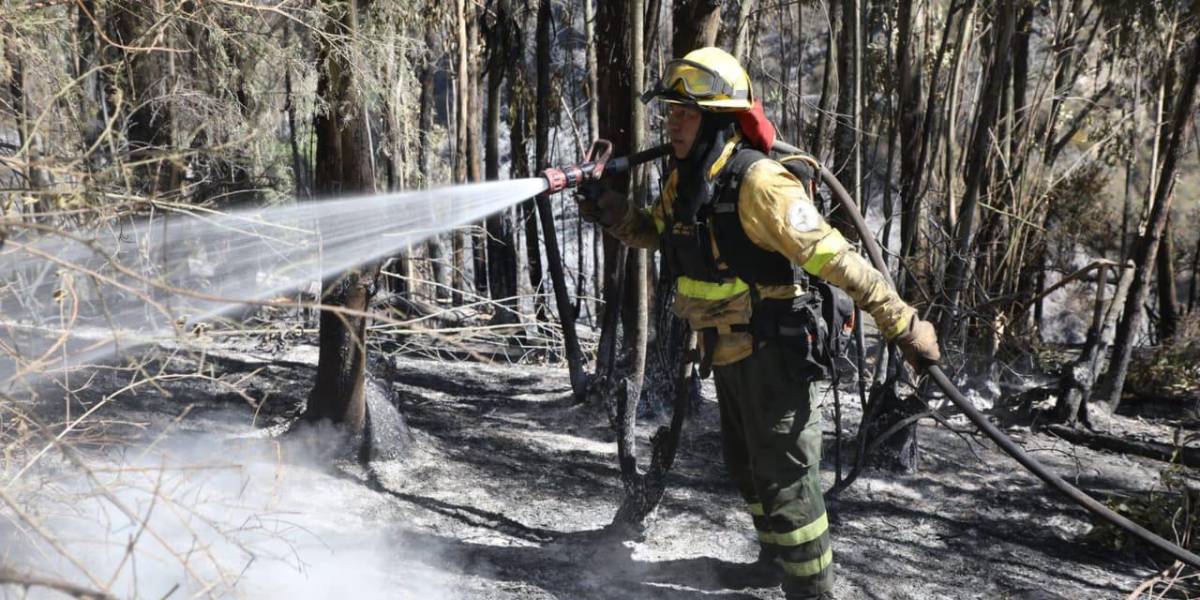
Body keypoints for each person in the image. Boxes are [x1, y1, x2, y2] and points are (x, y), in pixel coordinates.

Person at [577, 47, 940, 600]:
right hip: (726, 350)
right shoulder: (690, 178)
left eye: (685, 113)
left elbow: (837, 258)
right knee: (747, 468)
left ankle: (812, 590)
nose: (672, 123)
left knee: (789, 481)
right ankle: (774, 564)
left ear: (719, 119)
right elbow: (660, 232)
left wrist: (903, 323)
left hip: (774, 354)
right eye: (670, 112)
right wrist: (610, 209)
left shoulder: (760, 184)